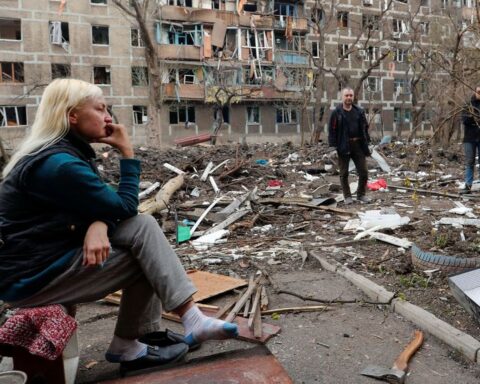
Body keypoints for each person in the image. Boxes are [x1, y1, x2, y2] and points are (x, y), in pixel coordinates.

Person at [0, 79, 238, 371]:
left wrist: (98, 222)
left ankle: (164, 329)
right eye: (100, 109)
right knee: (145, 254)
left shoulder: (59, 152)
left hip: (45, 258)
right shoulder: (60, 164)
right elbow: (124, 206)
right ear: (72, 115)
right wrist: (127, 153)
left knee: (143, 228)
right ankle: (139, 341)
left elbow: (104, 200)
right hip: (32, 278)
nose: (108, 117)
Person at [328, 87, 371, 204]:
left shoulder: (359, 111)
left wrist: (367, 142)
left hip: (358, 145)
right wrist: (332, 147)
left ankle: (361, 194)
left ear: (353, 97)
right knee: (344, 173)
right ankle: (347, 196)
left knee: (363, 172)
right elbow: (332, 130)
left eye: (350, 96)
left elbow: (364, 128)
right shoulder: (336, 113)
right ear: (342, 97)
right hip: (343, 145)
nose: (349, 98)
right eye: (346, 95)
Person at [460, 86, 480, 194]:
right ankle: (468, 186)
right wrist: (474, 118)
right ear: (475, 92)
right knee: (469, 162)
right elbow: (464, 120)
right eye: (479, 92)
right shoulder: (468, 105)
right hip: (469, 138)